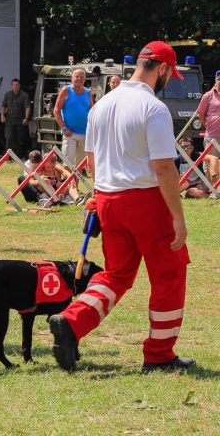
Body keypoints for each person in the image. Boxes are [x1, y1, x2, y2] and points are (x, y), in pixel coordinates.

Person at [49, 41, 195, 374]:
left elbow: (92, 160)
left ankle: (71, 322)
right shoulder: (153, 108)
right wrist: (177, 216)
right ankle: (159, 356)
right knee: (169, 276)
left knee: (116, 275)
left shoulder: (102, 104)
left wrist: (99, 197)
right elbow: (163, 167)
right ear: (162, 68)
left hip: (108, 198)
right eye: (171, 75)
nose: (169, 81)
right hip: (145, 200)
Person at [54, 68, 94, 169]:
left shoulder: (88, 92)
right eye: (77, 77)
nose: (79, 79)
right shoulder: (66, 90)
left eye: (81, 77)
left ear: (85, 79)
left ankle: (74, 185)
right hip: (70, 133)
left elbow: (92, 112)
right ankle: (67, 185)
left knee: (80, 166)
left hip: (85, 133)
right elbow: (56, 111)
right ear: (72, 78)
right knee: (68, 163)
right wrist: (64, 129)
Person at [197, 70, 220, 187]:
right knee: (211, 162)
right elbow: (200, 113)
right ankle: (211, 189)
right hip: (212, 135)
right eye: (219, 79)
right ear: (215, 81)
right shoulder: (208, 96)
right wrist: (208, 126)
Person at [0, 78, 31, 157]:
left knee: (19, 138)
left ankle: (19, 156)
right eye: (14, 85)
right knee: (9, 138)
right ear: (11, 86)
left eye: (17, 85)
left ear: (19, 86)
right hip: (10, 119)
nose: (15, 86)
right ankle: (8, 157)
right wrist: (2, 116)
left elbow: (27, 107)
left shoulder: (24, 95)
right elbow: (3, 106)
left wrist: (26, 118)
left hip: (20, 119)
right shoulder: (7, 95)